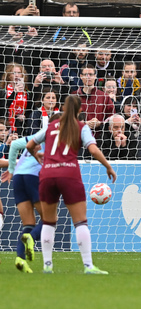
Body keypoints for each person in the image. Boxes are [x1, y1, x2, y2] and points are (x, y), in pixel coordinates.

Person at [26, 95, 116, 274]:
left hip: (48, 175)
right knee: (80, 221)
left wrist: (39, 156)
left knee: (48, 221)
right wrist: (108, 166)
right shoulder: (81, 127)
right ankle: (88, 266)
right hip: (69, 174)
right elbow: (93, 149)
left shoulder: (50, 127)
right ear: (80, 110)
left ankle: (47, 266)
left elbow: (30, 144)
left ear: (63, 109)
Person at [1, 117, 62, 272]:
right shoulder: (59, 137)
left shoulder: (39, 134)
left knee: (29, 224)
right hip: (33, 177)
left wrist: (13, 169)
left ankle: (20, 259)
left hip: (19, 178)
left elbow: (14, 144)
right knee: (51, 218)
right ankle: (31, 238)